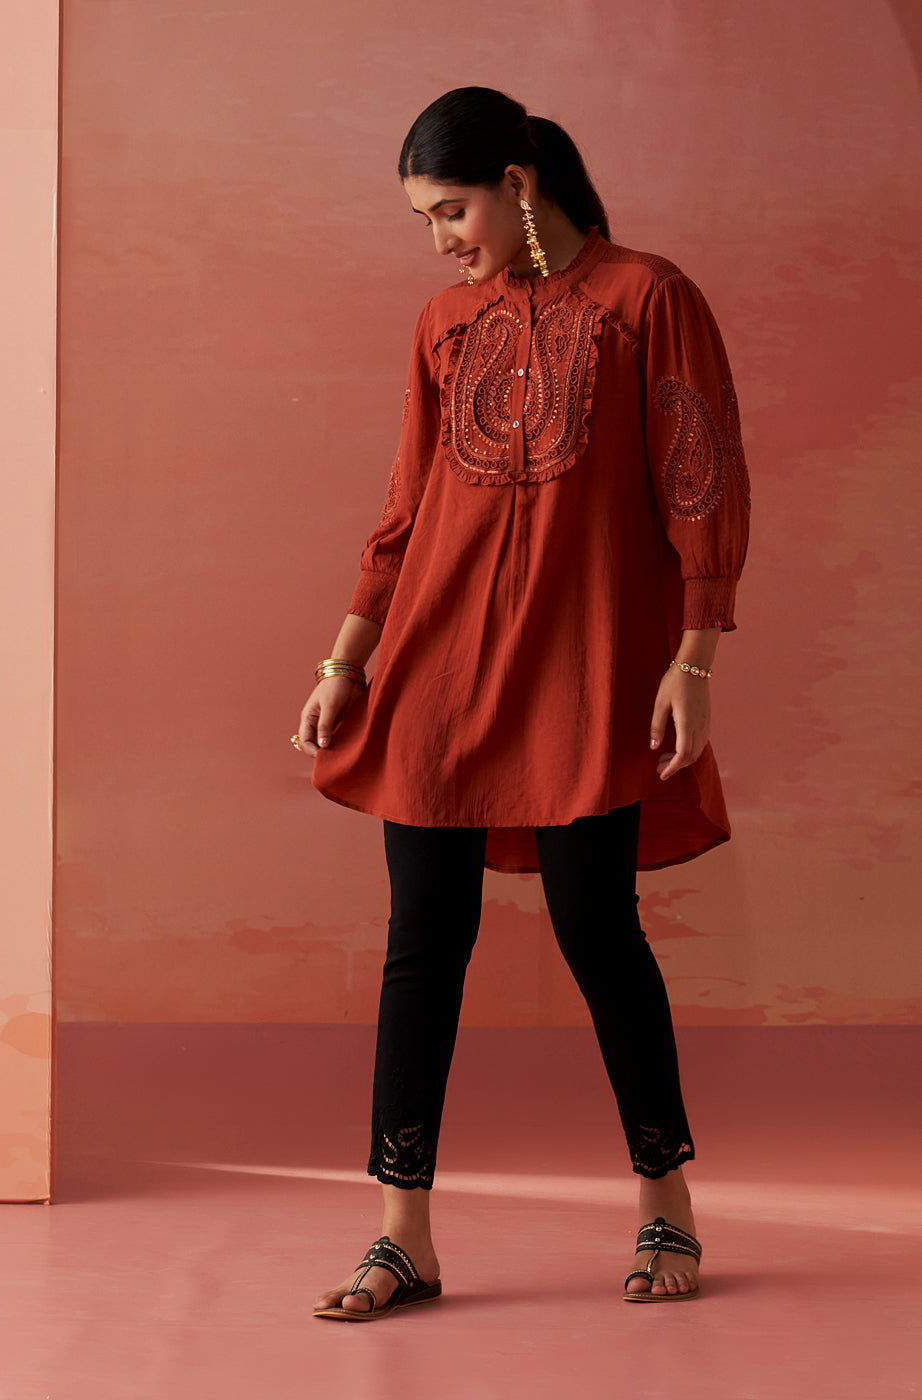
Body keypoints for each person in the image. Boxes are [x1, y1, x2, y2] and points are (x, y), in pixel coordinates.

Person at [292, 86, 750, 1318]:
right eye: (425, 220)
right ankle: (403, 1235)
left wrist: (694, 660)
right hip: (435, 672)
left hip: (584, 667)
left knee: (599, 930)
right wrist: (345, 661)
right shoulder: (446, 323)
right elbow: (406, 508)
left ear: (517, 181)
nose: (441, 238)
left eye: (450, 210)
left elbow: (701, 484)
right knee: (421, 946)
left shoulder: (647, 299)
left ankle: (667, 1202)